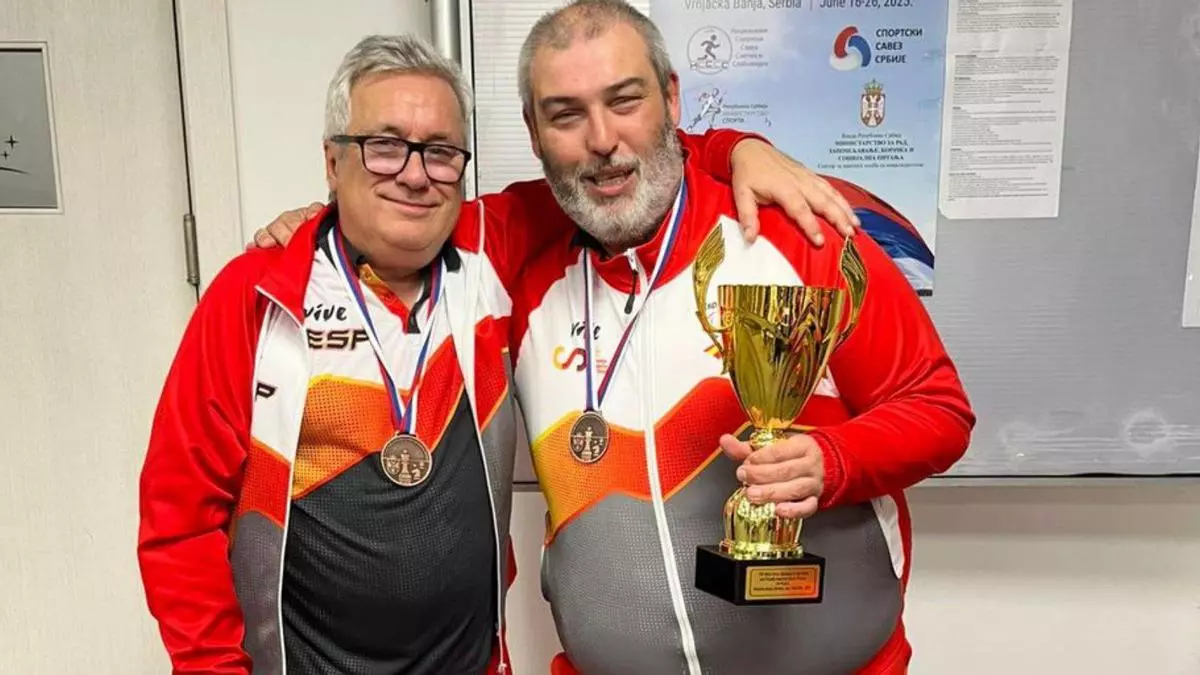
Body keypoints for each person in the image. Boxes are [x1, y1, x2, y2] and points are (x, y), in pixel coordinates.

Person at [138, 32, 857, 675]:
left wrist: (735, 147)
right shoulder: (258, 295)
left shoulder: (495, 246)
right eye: (384, 145)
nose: (414, 174)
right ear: (333, 160)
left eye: (440, 152)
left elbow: (622, 162)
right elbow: (178, 520)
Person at [504, 1, 976, 674]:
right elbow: (398, 208)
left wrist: (833, 460)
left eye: (625, 100)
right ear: (534, 131)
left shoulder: (798, 231)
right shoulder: (515, 265)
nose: (602, 138)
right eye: (566, 114)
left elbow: (940, 408)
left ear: (671, 98)